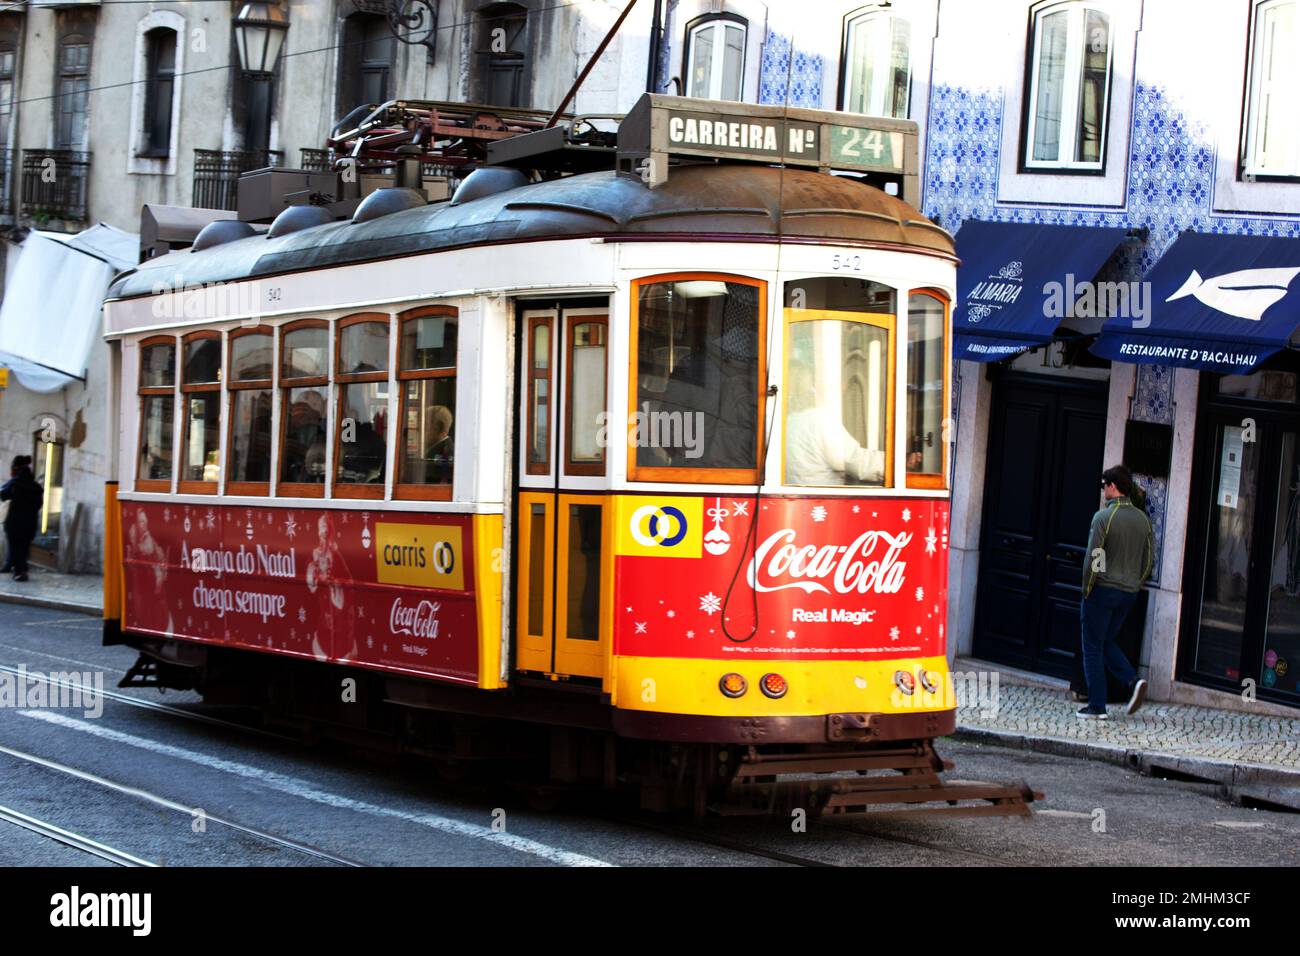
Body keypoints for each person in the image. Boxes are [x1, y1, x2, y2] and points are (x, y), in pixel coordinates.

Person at [1078, 464, 1153, 719]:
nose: (1103, 491)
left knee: (1092, 646)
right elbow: (1148, 560)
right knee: (1106, 640)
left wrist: (1088, 587)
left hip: (1103, 590)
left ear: (1112, 486)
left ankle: (1097, 706)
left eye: (1103, 486)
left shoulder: (1104, 517)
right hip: (1128, 594)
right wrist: (1134, 584)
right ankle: (1132, 682)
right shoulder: (1143, 520)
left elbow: (1095, 557)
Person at [1, 455, 43, 582]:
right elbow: (39, 504)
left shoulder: (15, 484)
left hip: (14, 521)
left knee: (15, 546)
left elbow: (3, 495)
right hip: (30, 522)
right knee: (24, 548)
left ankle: (19, 571)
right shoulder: (36, 487)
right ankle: (21, 570)